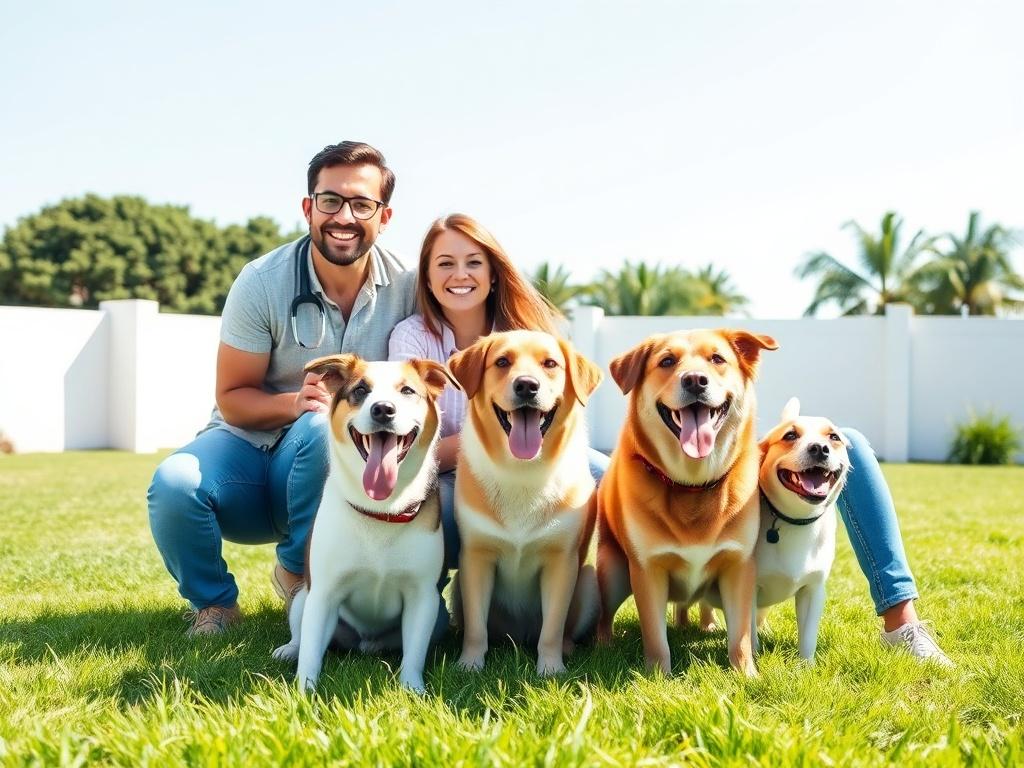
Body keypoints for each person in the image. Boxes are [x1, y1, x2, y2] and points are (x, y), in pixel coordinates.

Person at [390, 213, 951, 665]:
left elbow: (566, 423)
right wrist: (477, 447)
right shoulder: (412, 338)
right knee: (605, 483)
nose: (459, 274)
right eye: (445, 263)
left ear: (494, 272)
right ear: (427, 274)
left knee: (844, 440)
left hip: (547, 458)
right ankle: (413, 616)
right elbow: (405, 437)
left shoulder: (536, 333)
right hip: (446, 477)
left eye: (474, 262)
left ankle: (900, 618)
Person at [147, 141, 416, 636]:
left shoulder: (410, 285)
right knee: (174, 484)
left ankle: (295, 570)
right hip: (248, 456)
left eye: (362, 204)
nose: (344, 216)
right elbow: (232, 397)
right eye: (330, 200)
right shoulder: (261, 281)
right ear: (308, 207)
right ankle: (214, 604)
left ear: (385, 215)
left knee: (321, 428)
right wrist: (293, 404)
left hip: (334, 467)